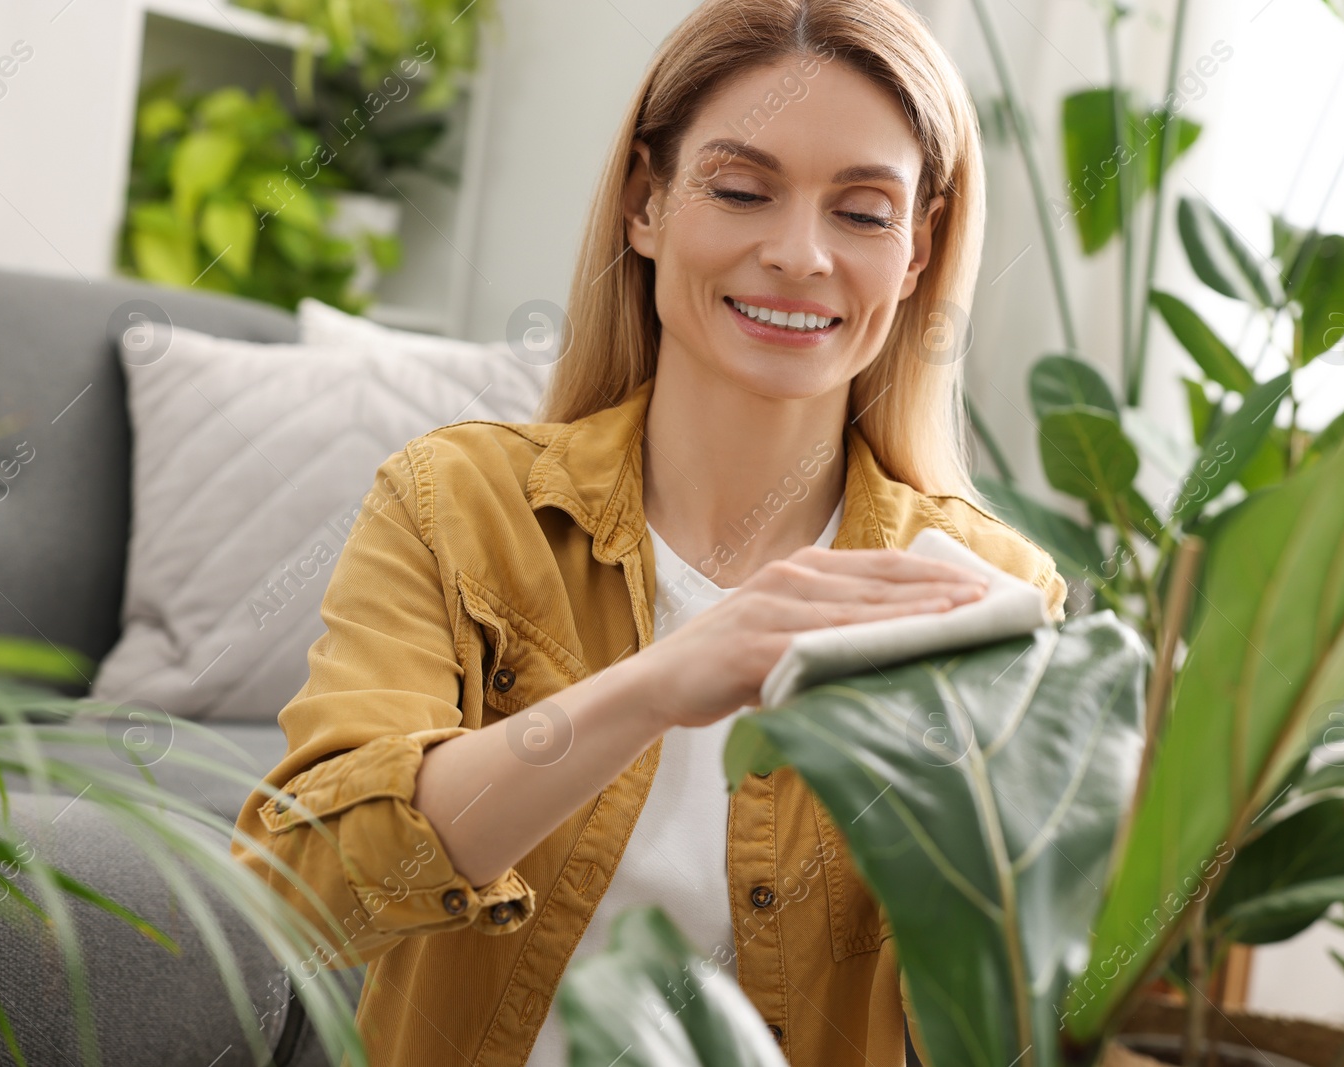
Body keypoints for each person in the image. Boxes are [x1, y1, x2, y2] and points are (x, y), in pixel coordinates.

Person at [231, 0, 1067, 1063]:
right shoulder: (457, 503)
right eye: (740, 190)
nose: (799, 254)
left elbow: (1011, 1015)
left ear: (917, 253)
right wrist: (661, 682)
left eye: (862, 213)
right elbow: (298, 896)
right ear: (645, 203)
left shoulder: (983, 588)